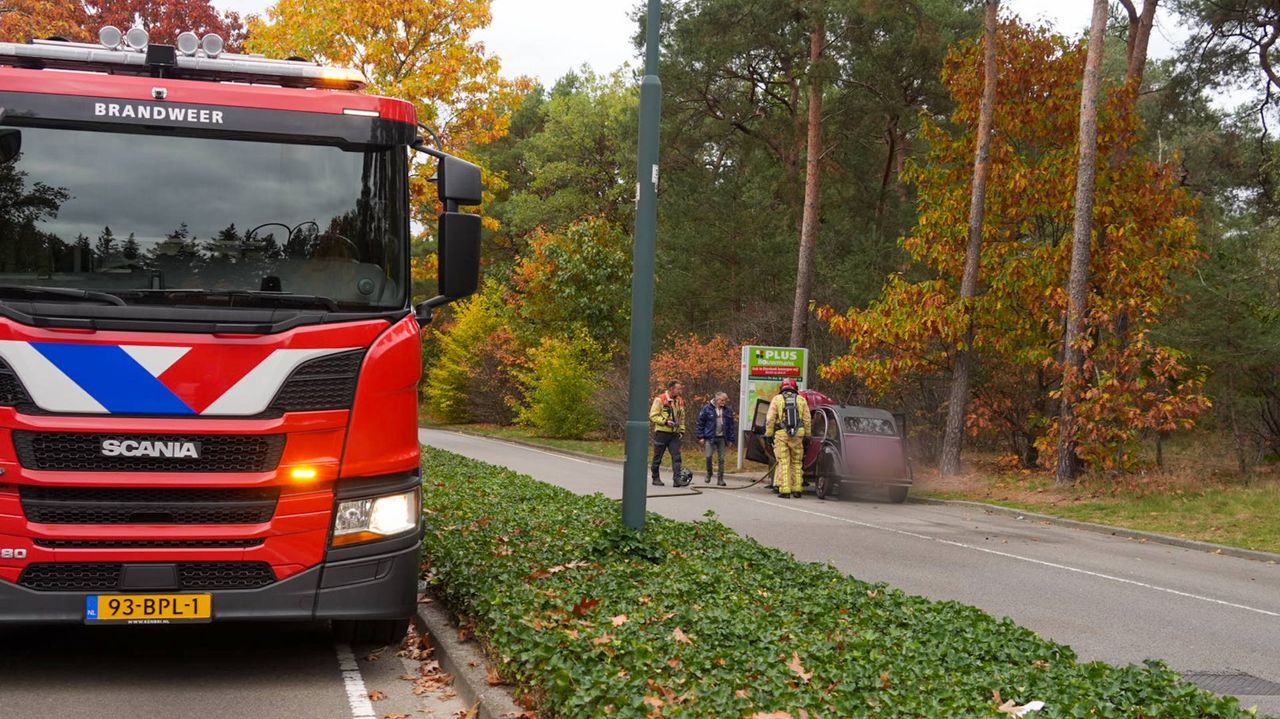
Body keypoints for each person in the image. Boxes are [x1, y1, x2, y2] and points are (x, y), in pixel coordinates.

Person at [764, 378, 811, 499]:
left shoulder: (777, 399)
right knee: (797, 462)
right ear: (795, 388)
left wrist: (769, 434)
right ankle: (797, 489)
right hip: (798, 434)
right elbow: (807, 420)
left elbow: (770, 419)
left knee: (784, 461)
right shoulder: (801, 400)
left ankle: (785, 490)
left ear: (782, 388)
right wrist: (807, 435)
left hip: (782, 434)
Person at [649, 380, 686, 486]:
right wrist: (665, 422)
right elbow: (653, 415)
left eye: (680, 389)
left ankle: (677, 479)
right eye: (678, 389)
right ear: (671, 389)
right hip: (662, 433)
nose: (680, 391)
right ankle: (655, 478)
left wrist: (682, 430)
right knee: (658, 457)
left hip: (674, 434)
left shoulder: (679, 400)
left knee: (677, 456)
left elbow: (682, 417)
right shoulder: (660, 399)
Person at [696, 392, 736, 486]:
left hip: (722, 437)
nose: (724, 402)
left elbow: (731, 426)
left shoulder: (727, 410)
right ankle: (709, 473)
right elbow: (700, 423)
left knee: (721, 459)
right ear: (717, 400)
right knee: (708, 456)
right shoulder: (707, 408)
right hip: (710, 437)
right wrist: (700, 436)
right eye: (722, 400)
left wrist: (731, 439)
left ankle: (720, 479)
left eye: (725, 400)